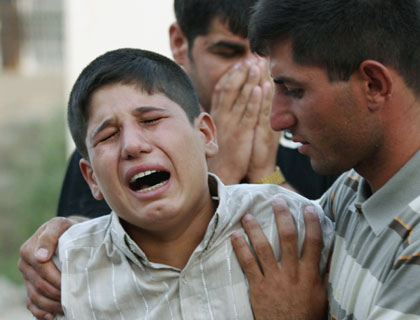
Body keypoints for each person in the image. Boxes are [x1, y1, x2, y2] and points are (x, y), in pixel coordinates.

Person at [18, 0, 339, 318]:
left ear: (205, 133)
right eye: (227, 53)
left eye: (264, 55)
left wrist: (266, 174)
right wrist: (217, 168)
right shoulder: (106, 166)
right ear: (181, 44)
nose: (252, 71)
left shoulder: (318, 141)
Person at [230, 0, 420, 319]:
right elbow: (289, 229)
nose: (277, 119)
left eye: (294, 90)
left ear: (374, 85)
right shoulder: (354, 187)